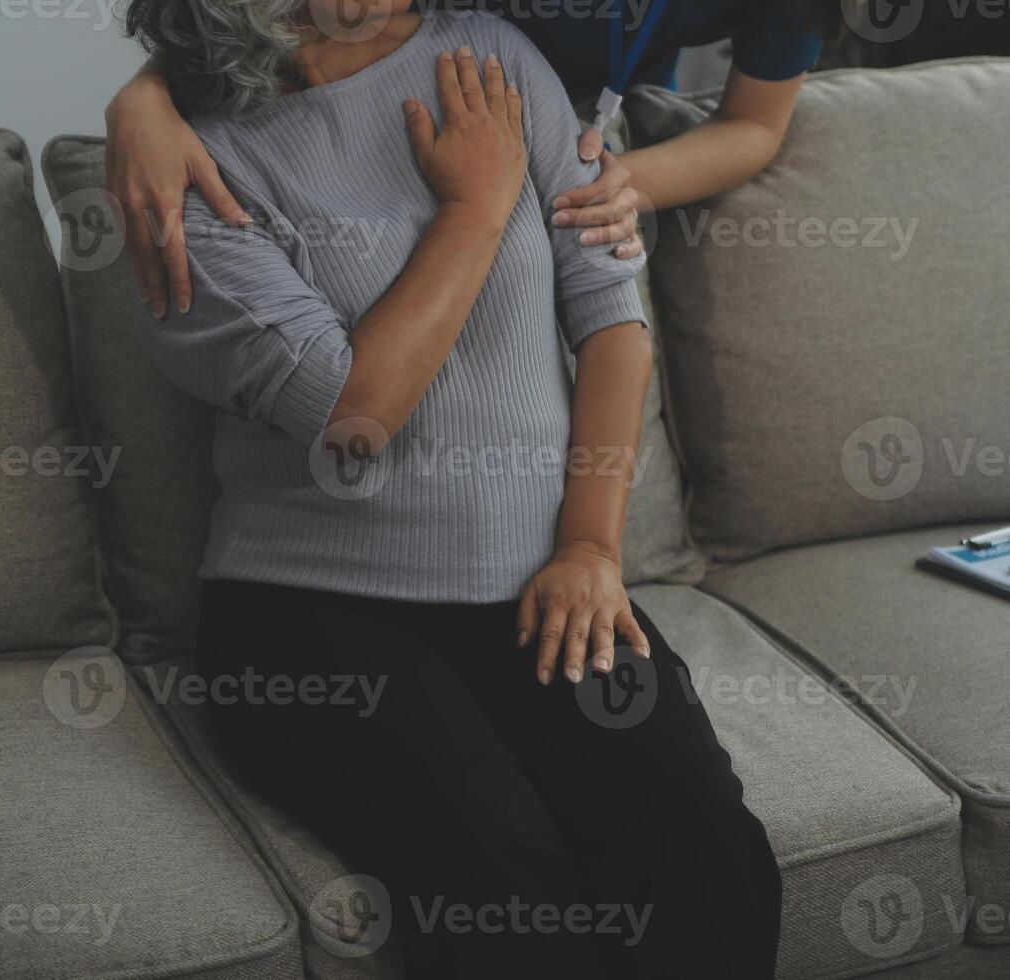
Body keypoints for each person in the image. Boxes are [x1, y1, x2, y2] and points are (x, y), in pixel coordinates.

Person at [123, 1, 783, 976]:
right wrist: (476, 207)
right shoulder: (186, 169)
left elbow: (610, 318)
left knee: (705, 843)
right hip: (309, 617)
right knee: (504, 874)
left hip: (539, 582)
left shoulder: (488, 55)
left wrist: (591, 549)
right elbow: (357, 409)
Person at [107, 0, 839, 317]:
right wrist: (144, 94)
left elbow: (753, 126)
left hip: (579, 140)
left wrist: (620, 183)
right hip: (423, 110)